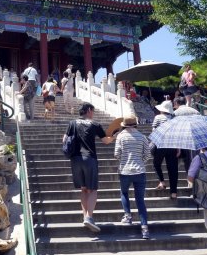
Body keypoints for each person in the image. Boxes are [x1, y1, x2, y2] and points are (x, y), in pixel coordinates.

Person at [63, 102, 115, 232]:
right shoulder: (95, 124)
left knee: (84, 189)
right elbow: (105, 141)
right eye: (93, 110)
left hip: (75, 159)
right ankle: (89, 217)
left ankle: (85, 217)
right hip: (89, 158)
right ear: (89, 110)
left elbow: (64, 139)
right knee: (92, 190)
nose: (94, 113)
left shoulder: (72, 123)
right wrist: (114, 136)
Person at [114, 115, 152, 239]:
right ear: (135, 124)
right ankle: (145, 228)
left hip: (125, 171)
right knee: (140, 200)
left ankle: (128, 216)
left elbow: (116, 154)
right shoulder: (142, 137)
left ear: (124, 125)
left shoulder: (120, 136)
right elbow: (147, 155)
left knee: (124, 193)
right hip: (140, 171)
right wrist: (140, 161)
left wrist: (124, 159)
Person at [152, 100, 179, 199]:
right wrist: (178, 148)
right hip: (172, 145)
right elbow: (177, 134)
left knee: (156, 164)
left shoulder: (158, 117)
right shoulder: (174, 118)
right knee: (173, 170)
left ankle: (162, 182)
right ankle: (173, 193)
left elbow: (154, 131)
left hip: (160, 145)